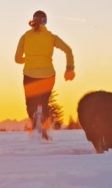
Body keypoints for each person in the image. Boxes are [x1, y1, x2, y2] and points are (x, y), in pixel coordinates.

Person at [14, 10, 75, 139]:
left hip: (30, 75)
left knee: (30, 103)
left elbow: (17, 59)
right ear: (45, 22)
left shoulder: (25, 36)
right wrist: (69, 69)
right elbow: (68, 50)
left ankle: (35, 120)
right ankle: (44, 125)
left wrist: (29, 59)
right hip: (48, 76)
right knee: (44, 101)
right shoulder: (51, 37)